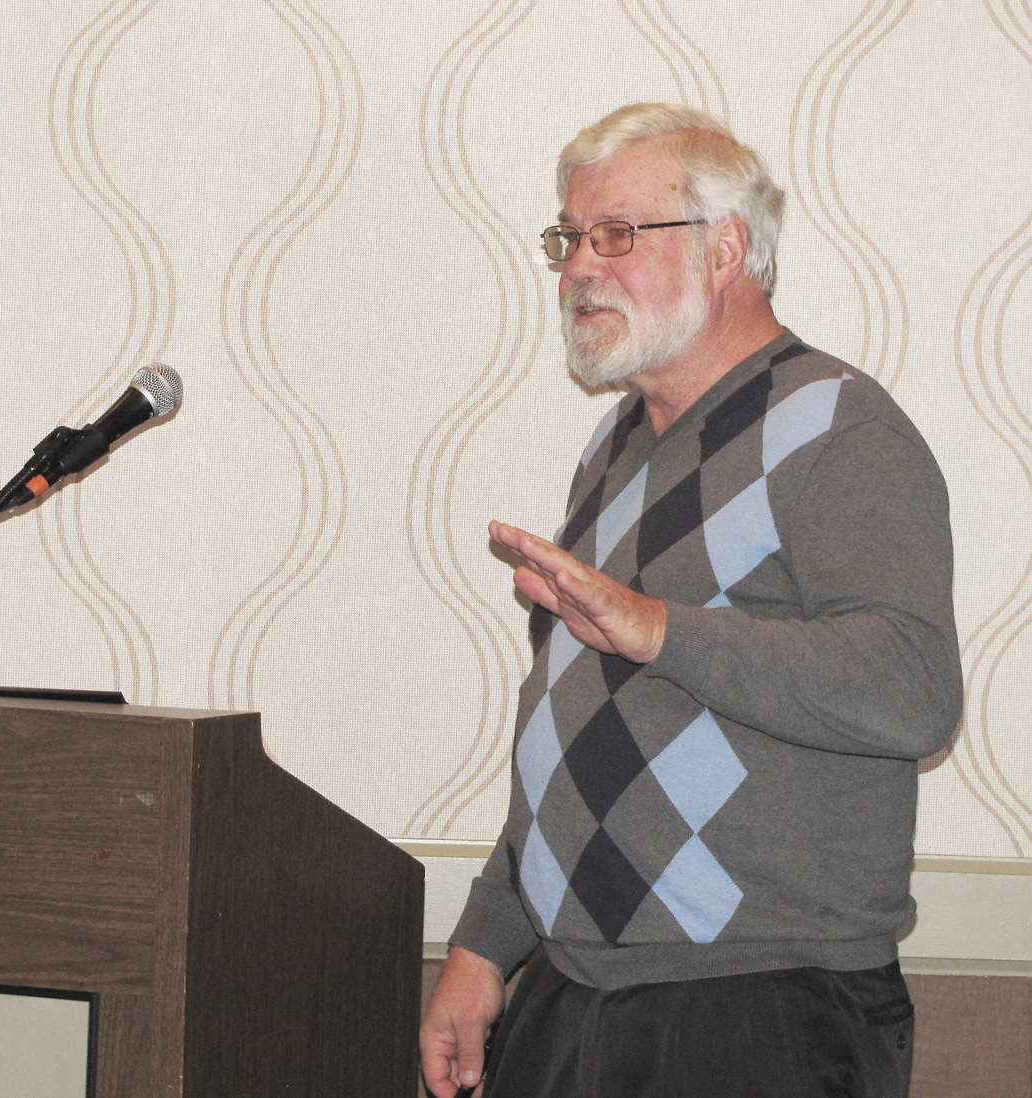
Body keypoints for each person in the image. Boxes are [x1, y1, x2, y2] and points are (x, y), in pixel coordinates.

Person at [419, 103, 963, 1098]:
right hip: (572, 991)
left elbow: (911, 686)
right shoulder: (614, 448)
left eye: (616, 234)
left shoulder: (838, 429)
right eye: (570, 238)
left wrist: (664, 629)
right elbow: (577, 731)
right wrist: (485, 945)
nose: (580, 265)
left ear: (726, 250)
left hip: (757, 1009)